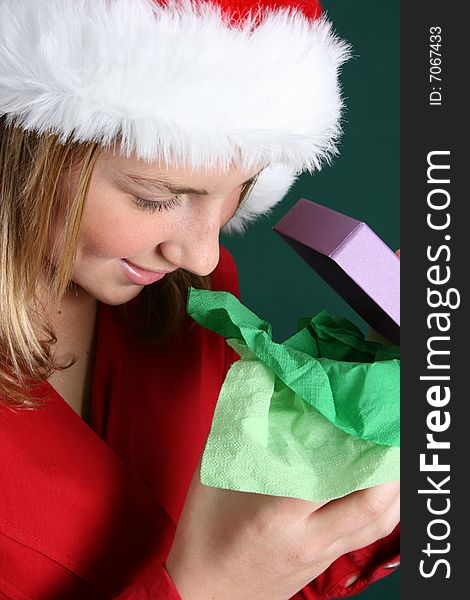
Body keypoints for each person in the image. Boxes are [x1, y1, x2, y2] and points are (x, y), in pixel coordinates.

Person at [0, 0, 400, 598]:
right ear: (22, 148)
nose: (204, 255)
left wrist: (385, 428)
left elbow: (275, 569)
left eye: (241, 190)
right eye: (158, 197)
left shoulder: (184, 301)